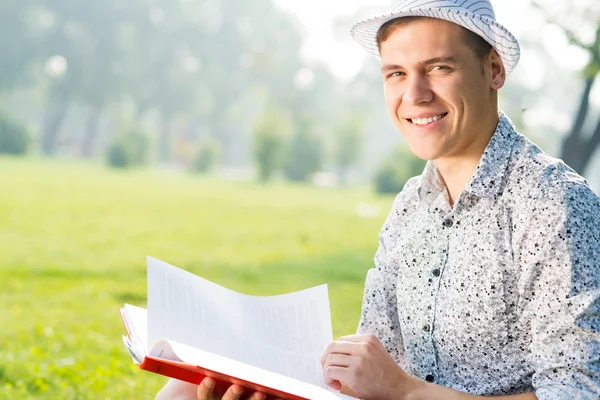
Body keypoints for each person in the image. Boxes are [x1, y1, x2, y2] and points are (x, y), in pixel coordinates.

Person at [158, 0, 600, 399]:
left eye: (440, 68)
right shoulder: (411, 206)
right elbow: (371, 371)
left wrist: (405, 392)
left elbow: (577, 392)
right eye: (396, 74)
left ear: (494, 70)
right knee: (181, 392)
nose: (415, 94)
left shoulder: (554, 205)